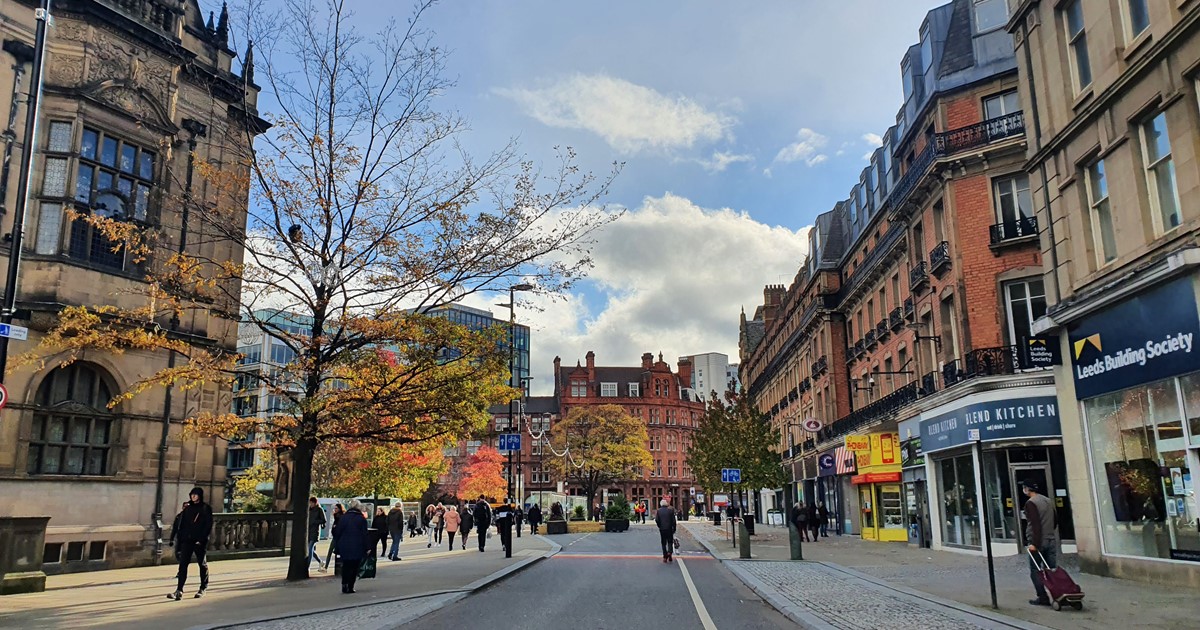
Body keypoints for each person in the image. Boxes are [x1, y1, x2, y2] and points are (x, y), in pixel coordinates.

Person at [167, 487, 213, 600]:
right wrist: (177, 539)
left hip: (199, 542)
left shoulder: (205, 508)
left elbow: (208, 526)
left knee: (202, 564)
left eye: (195, 495)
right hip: (187, 540)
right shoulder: (187, 508)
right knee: (183, 565)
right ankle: (179, 590)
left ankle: (203, 587)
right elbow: (180, 524)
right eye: (192, 494)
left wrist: (201, 539)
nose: (193, 497)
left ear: (199, 496)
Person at [1022, 481, 1058, 606]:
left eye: (1024, 488)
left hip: (1038, 541)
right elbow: (1055, 520)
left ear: (1027, 489)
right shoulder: (1048, 500)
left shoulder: (1031, 503)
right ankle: (1058, 594)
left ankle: (1043, 597)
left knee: (1036, 570)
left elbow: (1035, 524)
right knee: (1051, 569)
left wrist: (1034, 543)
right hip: (1051, 539)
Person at [333, 500, 370, 594]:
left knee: (346, 566)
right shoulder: (361, 519)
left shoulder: (343, 518)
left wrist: (337, 545)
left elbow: (338, 532)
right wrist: (367, 547)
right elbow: (364, 534)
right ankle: (350, 586)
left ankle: (344, 584)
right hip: (357, 545)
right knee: (354, 567)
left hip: (344, 545)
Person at [321, 503, 344, 571]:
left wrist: (335, 527)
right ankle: (326, 567)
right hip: (335, 536)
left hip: (338, 537)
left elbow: (339, 527)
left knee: (335, 551)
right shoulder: (336, 516)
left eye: (336, 508)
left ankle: (327, 567)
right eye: (334, 508)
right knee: (330, 551)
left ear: (340, 509)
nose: (335, 510)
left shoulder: (340, 517)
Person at [307, 497, 327, 569]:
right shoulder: (309, 510)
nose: (310, 504)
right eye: (310, 503)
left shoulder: (319, 510)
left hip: (315, 531)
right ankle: (320, 562)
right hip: (308, 531)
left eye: (311, 503)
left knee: (310, 548)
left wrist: (314, 522)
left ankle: (307, 566)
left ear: (315, 503)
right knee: (311, 550)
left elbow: (324, 520)